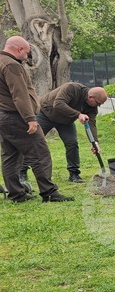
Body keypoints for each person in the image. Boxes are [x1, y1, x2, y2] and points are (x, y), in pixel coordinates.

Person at [0, 36, 73, 203]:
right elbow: (19, 95)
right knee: (40, 153)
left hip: (3, 116)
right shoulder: (11, 65)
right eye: (26, 53)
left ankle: (16, 194)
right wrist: (30, 118)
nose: (27, 57)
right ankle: (49, 192)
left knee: (10, 156)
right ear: (19, 49)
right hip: (16, 116)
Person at [18, 83, 107, 183]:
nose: (98, 106)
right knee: (32, 141)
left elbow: (91, 124)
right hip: (46, 114)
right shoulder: (72, 88)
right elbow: (58, 104)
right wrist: (78, 115)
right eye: (98, 103)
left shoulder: (92, 107)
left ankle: (74, 174)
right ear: (90, 97)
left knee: (72, 143)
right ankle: (22, 171)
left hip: (65, 121)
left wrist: (94, 142)